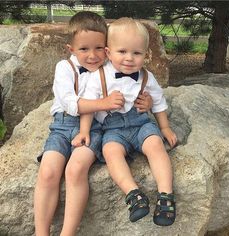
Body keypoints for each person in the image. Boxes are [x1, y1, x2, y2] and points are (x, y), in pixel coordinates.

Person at [34, 12, 152, 236]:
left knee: (76, 169)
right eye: (84, 49)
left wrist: (147, 100)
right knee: (48, 171)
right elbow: (69, 103)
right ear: (71, 49)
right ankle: (41, 232)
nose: (92, 55)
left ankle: (67, 233)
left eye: (99, 48)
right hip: (62, 126)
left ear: (107, 48)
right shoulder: (64, 68)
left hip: (95, 129)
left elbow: (135, 83)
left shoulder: (112, 66)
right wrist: (103, 102)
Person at [73, 17, 178, 227]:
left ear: (146, 55)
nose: (129, 58)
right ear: (108, 52)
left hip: (140, 124)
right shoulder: (98, 76)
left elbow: (158, 101)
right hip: (112, 129)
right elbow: (89, 107)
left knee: (156, 145)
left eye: (136, 53)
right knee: (111, 152)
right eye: (122, 52)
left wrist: (164, 127)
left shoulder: (147, 77)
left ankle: (166, 195)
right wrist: (85, 130)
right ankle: (133, 194)